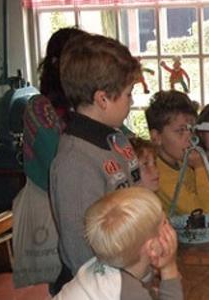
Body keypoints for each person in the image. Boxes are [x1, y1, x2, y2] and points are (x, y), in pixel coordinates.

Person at [49, 33, 141, 290]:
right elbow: (80, 249)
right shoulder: (74, 162)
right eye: (128, 94)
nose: (131, 102)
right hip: (96, 286)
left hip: (127, 271)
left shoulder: (117, 138)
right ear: (102, 99)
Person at [12, 27, 87, 292]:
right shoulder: (39, 107)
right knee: (61, 284)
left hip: (82, 203)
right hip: (51, 206)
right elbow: (57, 162)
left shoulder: (84, 103)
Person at [53, 187, 183, 300]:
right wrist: (169, 269)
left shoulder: (108, 266)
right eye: (165, 223)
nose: (170, 226)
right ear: (152, 248)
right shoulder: (126, 290)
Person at [145, 90, 209, 215]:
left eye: (191, 130)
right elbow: (205, 215)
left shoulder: (180, 162)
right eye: (180, 130)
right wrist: (200, 167)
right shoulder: (158, 176)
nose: (190, 137)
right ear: (156, 137)